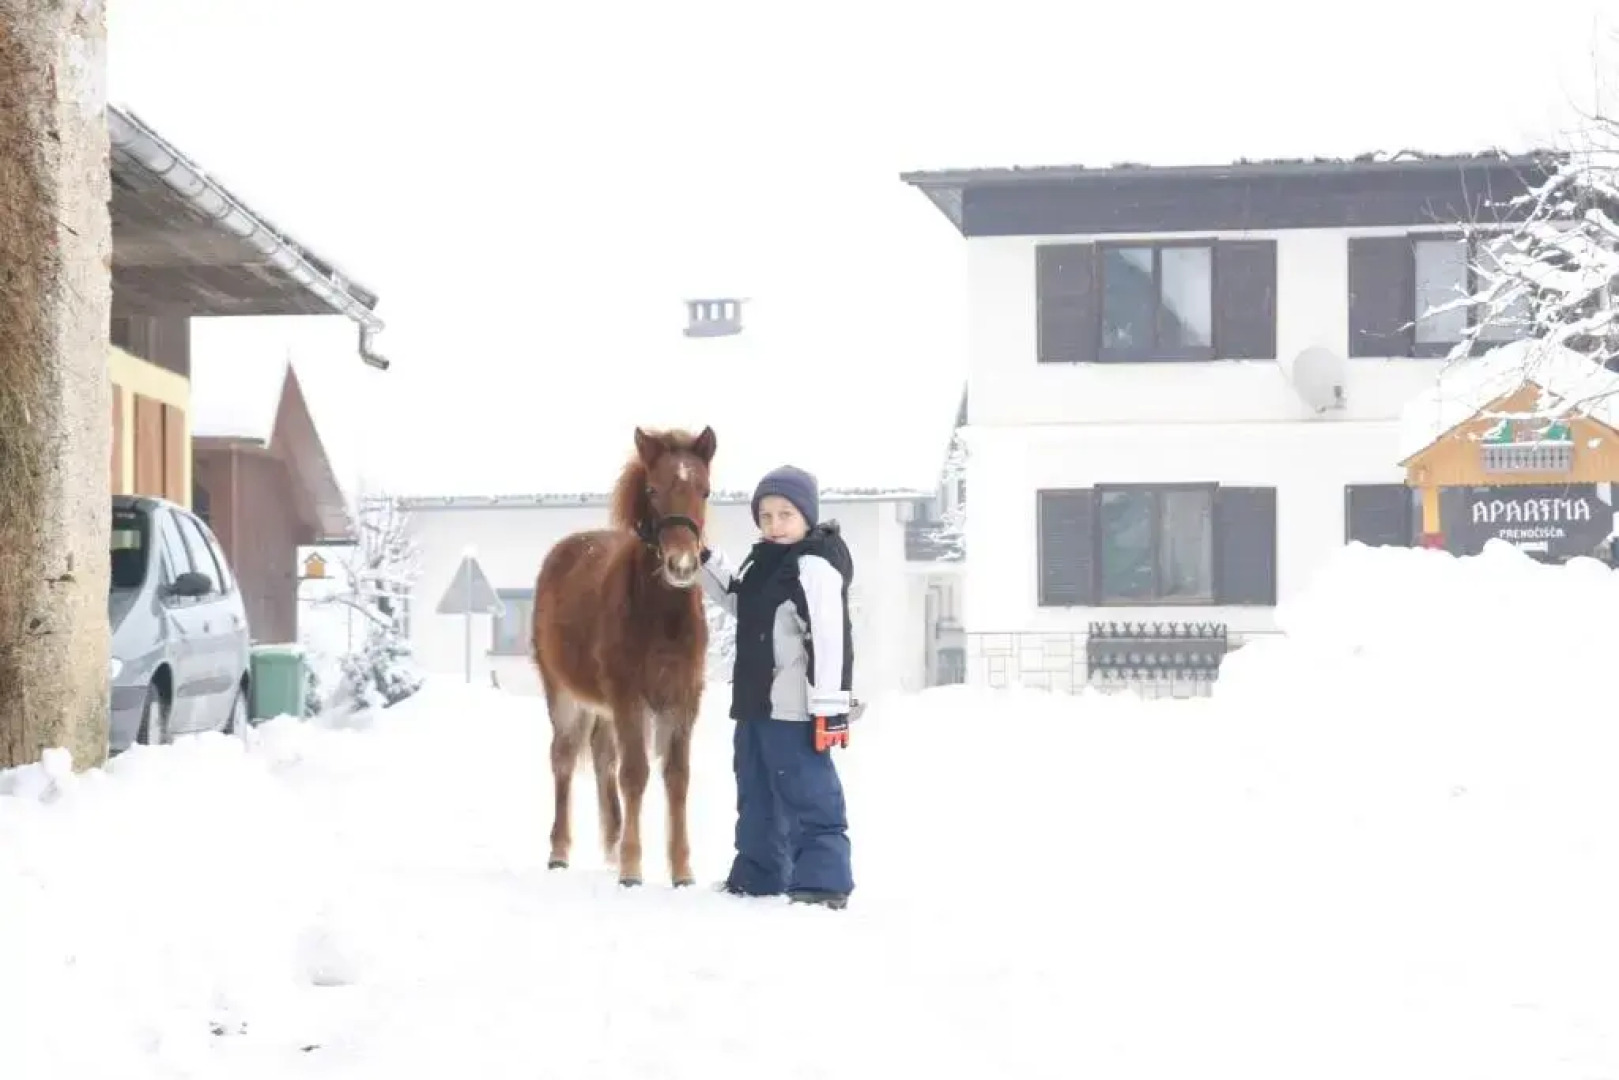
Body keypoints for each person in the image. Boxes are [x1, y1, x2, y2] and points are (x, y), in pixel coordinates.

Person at [699, 464, 856, 909]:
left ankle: (824, 883)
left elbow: (830, 638)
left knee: (809, 795)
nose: (774, 525)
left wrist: (830, 710)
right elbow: (740, 600)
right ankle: (760, 874)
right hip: (754, 704)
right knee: (756, 793)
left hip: (796, 709)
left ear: (807, 516)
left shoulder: (814, 566)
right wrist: (704, 559)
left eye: (785, 514)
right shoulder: (763, 562)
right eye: (765, 516)